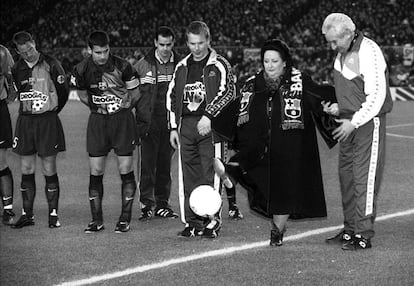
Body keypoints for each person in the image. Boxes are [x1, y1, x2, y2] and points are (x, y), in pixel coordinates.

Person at [213, 39, 338, 246]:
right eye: (266, 61)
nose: (270, 66)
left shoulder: (300, 80)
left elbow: (319, 96)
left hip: (290, 147)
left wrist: (334, 105)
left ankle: (277, 231)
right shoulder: (252, 83)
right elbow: (239, 107)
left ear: (285, 62)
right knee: (260, 181)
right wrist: (216, 121)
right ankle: (232, 171)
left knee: (283, 191)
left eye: (274, 61)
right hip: (259, 145)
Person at [321, 13, 393, 250]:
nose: (332, 46)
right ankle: (350, 229)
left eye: (334, 41)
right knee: (347, 178)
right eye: (329, 42)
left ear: (349, 34)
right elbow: (354, 92)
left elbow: (377, 96)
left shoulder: (369, 51)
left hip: (367, 124)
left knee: (364, 178)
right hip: (348, 123)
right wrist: (338, 108)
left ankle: (363, 234)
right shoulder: (342, 53)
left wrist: (355, 121)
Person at [166, 21, 238, 238]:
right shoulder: (182, 67)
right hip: (186, 126)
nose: (196, 48)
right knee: (188, 175)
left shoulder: (220, 65)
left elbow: (229, 92)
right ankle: (192, 222)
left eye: (200, 43)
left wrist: (209, 115)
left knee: (211, 173)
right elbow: (172, 97)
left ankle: (212, 220)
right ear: (187, 42)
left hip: (210, 127)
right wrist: (173, 128)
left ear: (208, 40)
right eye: (191, 43)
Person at [71, 31, 141, 233]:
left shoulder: (123, 66)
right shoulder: (81, 69)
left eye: (106, 51)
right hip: (98, 122)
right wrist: (98, 108)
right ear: (89, 50)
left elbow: (135, 93)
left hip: (122, 121)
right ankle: (96, 220)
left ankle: (124, 219)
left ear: (110, 48)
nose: (102, 56)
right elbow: (83, 94)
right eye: (98, 52)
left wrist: (125, 106)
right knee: (96, 171)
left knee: (125, 169)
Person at [10, 31, 69, 229]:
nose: (28, 55)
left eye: (30, 50)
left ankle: (53, 214)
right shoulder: (16, 68)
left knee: (48, 168)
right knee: (26, 168)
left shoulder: (51, 64)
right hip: (26, 122)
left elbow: (63, 92)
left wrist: (50, 112)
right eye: (23, 53)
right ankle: (28, 214)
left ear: (34, 43)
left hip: (47, 122)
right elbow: (14, 91)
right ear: (17, 52)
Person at [133, 26, 180, 221]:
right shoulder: (141, 66)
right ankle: (146, 204)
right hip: (148, 124)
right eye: (161, 44)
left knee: (164, 165)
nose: (165, 48)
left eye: (169, 44)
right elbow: (132, 94)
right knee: (147, 165)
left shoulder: (181, 65)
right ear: (155, 43)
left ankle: (162, 204)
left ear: (173, 43)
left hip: (170, 125)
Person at [0, 44, 16, 225]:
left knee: (1, 162)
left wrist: (8, 97)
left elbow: (12, 78)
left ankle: (7, 209)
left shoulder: (2, 52)